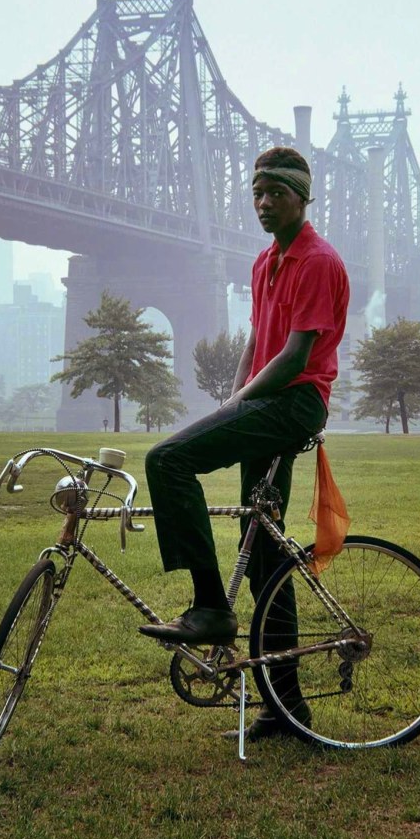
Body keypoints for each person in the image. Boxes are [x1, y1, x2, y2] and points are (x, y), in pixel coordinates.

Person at [140, 146, 350, 739]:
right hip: (266, 401)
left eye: (275, 194)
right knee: (266, 558)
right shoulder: (265, 263)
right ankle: (287, 708)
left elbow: (294, 358)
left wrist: (240, 404)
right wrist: (232, 396)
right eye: (257, 194)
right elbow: (259, 338)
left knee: (168, 459)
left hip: (294, 403)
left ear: (301, 198)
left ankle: (209, 608)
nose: (263, 204)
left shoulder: (317, 261)